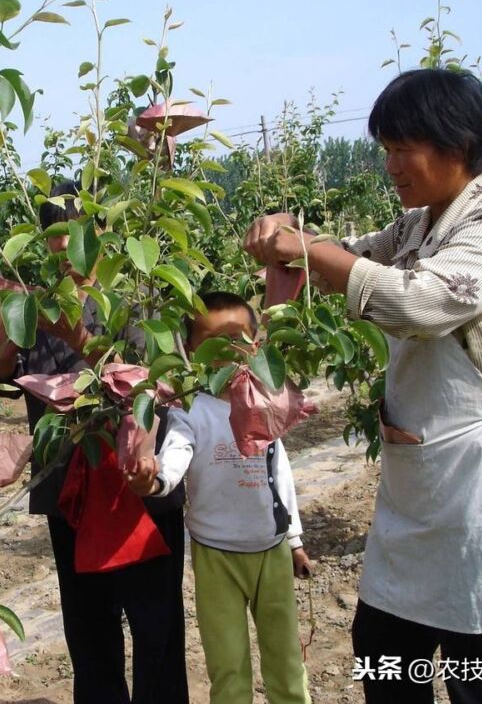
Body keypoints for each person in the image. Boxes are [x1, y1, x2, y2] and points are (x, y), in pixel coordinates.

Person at [244, 69, 482, 703]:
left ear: (457, 143)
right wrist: (292, 243)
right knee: (385, 646)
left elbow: (417, 302)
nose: (390, 165)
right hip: (424, 478)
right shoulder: (417, 226)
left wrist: (307, 248)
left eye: (400, 148)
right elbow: (346, 256)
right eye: (385, 149)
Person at [0, 182, 190, 704]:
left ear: (99, 231)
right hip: (72, 494)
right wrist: (7, 327)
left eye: (75, 240)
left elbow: (158, 384)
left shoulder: (138, 298)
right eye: (55, 247)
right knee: (90, 633)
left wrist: (88, 345)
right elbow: (1, 376)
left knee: (156, 633)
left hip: (140, 487)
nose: (67, 260)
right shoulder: (36, 309)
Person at [125, 291, 313, 704]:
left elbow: (279, 471)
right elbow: (176, 454)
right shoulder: (190, 411)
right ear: (191, 350)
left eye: (239, 340)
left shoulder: (265, 399)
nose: (228, 353)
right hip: (216, 555)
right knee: (227, 665)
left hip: (272, 548)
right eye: (213, 343)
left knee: (285, 659)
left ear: (257, 342)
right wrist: (153, 482)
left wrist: (295, 540)